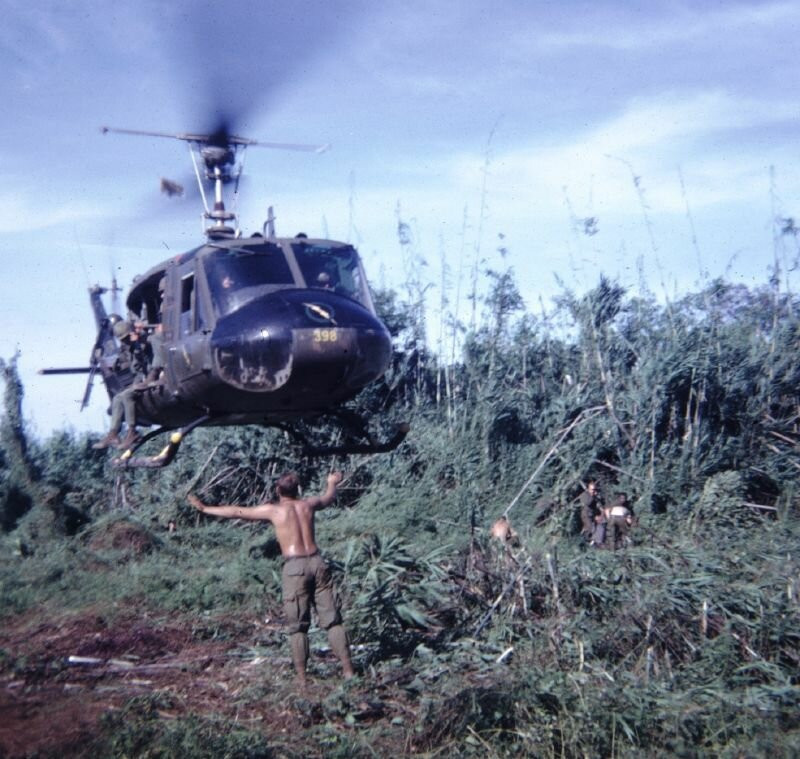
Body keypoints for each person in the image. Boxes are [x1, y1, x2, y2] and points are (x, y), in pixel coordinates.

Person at [187, 471, 354, 686]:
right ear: (298, 490)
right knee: (333, 621)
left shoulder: (273, 511)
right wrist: (331, 482)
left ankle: (302, 679)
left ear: (278, 491)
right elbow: (328, 497)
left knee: (298, 626)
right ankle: (349, 671)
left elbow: (237, 511)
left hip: (295, 567)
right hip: (318, 563)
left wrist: (204, 508)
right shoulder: (308, 505)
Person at [93, 319, 149, 450]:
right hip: (137, 379)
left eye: (126, 338)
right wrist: (104, 360)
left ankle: (132, 432)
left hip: (146, 377)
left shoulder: (143, 342)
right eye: (122, 340)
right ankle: (113, 434)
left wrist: (137, 343)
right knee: (117, 398)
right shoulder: (128, 347)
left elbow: (144, 359)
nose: (124, 342)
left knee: (126, 396)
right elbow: (125, 362)